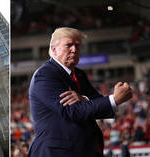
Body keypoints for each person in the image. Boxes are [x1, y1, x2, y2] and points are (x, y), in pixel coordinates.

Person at [28, 27, 133, 157]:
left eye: (77, 45)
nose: (74, 49)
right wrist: (113, 100)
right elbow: (72, 111)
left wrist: (84, 99)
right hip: (56, 152)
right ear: (54, 49)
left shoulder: (79, 74)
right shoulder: (45, 75)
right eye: (69, 45)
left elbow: (97, 104)